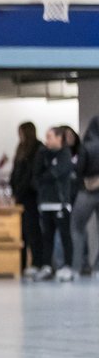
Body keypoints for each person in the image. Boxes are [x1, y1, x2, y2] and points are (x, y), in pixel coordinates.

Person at [34, 126, 76, 282]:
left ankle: (68, 266)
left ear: (59, 138)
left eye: (50, 136)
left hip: (60, 203)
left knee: (65, 235)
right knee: (47, 236)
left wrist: (46, 175)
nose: (47, 140)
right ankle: (46, 266)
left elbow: (56, 173)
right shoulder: (43, 154)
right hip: (45, 203)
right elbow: (37, 175)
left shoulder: (65, 154)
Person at [10, 122, 45, 278]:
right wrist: (14, 189)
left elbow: (31, 173)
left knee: (33, 230)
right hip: (20, 195)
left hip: (30, 196)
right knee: (21, 231)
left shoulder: (37, 148)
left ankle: (37, 262)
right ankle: (21, 264)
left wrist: (21, 190)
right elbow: (15, 171)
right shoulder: (21, 148)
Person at [70, 115, 99, 278]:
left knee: (77, 228)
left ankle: (77, 266)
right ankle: (97, 267)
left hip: (87, 191)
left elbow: (79, 170)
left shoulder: (87, 146)